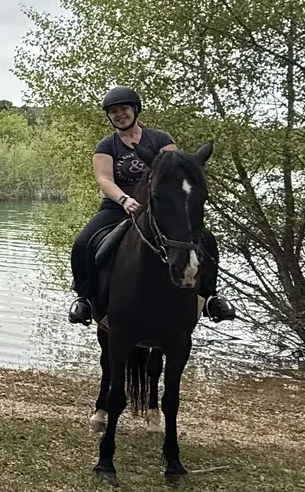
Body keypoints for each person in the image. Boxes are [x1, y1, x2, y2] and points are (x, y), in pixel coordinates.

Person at [68, 86, 236, 325]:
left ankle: (210, 297)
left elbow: (178, 171)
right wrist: (124, 199)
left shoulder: (160, 139)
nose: (119, 115)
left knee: (207, 240)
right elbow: (104, 179)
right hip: (117, 207)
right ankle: (84, 299)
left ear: (135, 110)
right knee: (83, 243)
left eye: (124, 109)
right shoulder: (106, 146)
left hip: (161, 208)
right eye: (113, 111)